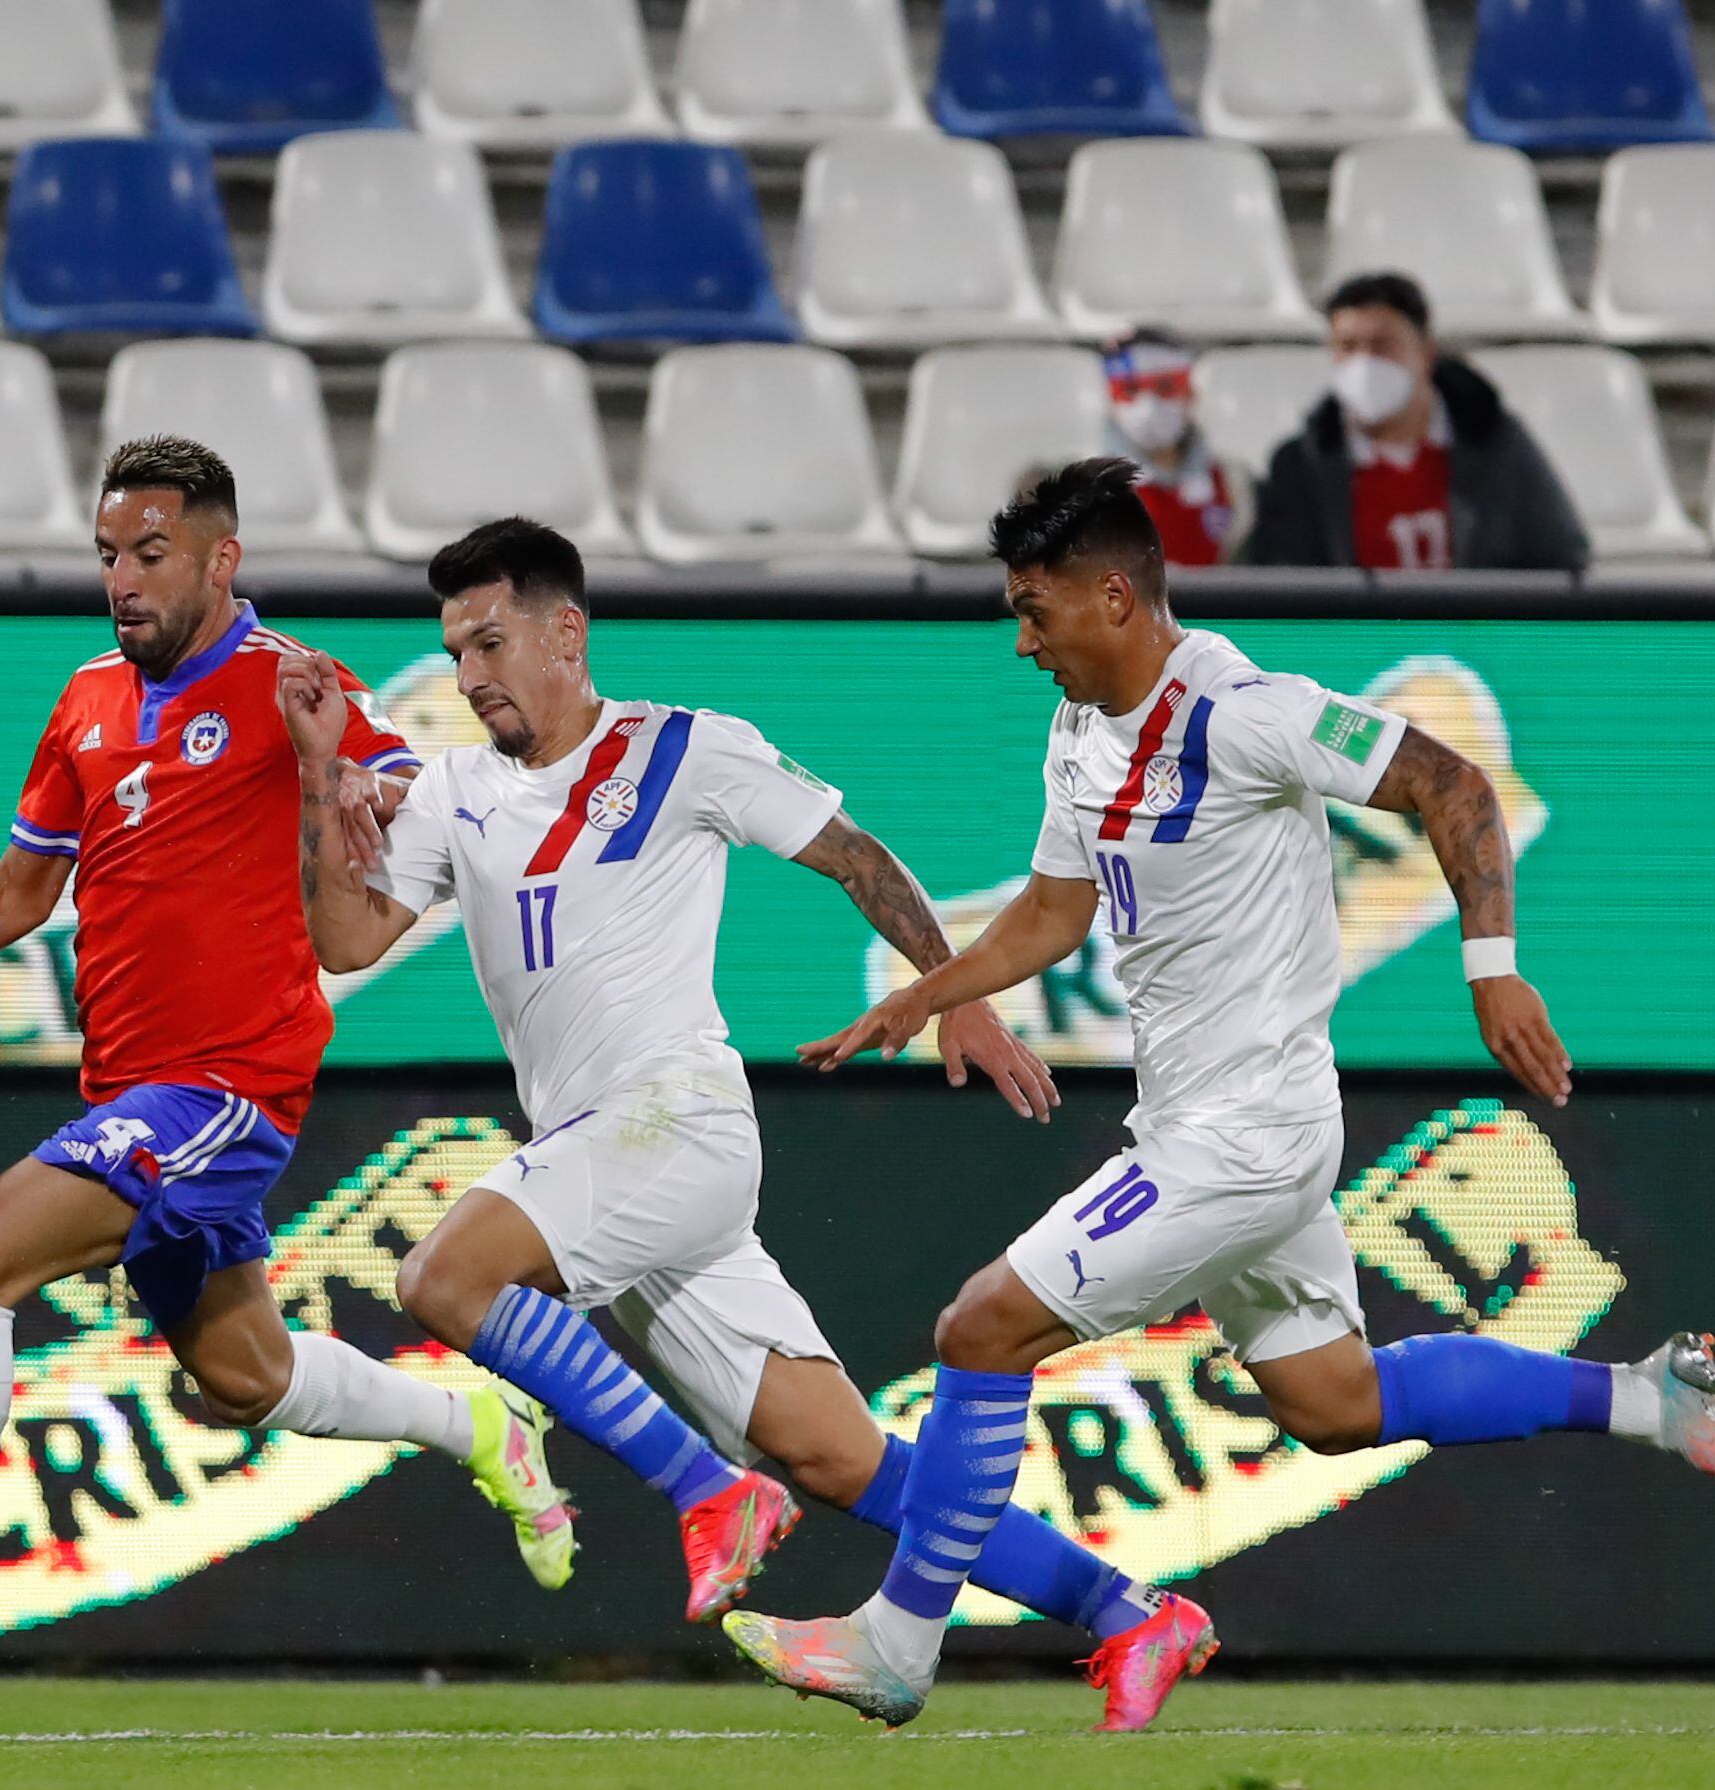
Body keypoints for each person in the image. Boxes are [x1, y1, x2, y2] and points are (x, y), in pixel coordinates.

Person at [728, 459, 1715, 1732]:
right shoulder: (1079, 730)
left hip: (1250, 1134)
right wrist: (937, 990)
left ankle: (898, 1642)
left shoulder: (1250, 713)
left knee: (978, 1330)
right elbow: (1058, 908)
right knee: (1333, 1403)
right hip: (1199, 1125)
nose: (1020, 640)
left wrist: (1492, 969)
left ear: (1113, 595)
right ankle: (1651, 1398)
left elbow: (1452, 784)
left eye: (1033, 609)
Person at [281, 516, 1205, 1683]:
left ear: (568, 633)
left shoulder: (684, 748)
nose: (471, 675)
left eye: (492, 641)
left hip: (677, 1121)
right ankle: (1126, 1610)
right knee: (838, 1456)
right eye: (456, 651)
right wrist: (323, 774)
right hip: (600, 1154)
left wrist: (950, 995)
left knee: (444, 1275)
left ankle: (706, 1487)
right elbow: (345, 938)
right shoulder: (454, 791)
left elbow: (857, 857)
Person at [0, 439, 575, 1697]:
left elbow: (414, 791)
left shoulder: (290, 680)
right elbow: (19, 892)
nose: (122, 581)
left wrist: (342, 778)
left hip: (227, 1083)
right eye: (106, 556)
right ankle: (476, 1422)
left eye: (149, 555)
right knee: (246, 1375)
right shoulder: (85, 698)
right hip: (129, 1088)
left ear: (218, 558)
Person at [1245, 271, 1587, 572]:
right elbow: (1283, 581)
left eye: (1382, 346)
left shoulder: (1499, 446)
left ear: (1426, 353)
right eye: (1348, 346)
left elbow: (1562, 556)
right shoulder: (1299, 467)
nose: (1364, 364)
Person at [1095, 327, 1248, 567]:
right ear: (1109, 398)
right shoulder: (1076, 492)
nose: (1148, 406)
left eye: (1165, 387)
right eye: (1130, 390)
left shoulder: (1233, 484)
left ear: (1191, 395)